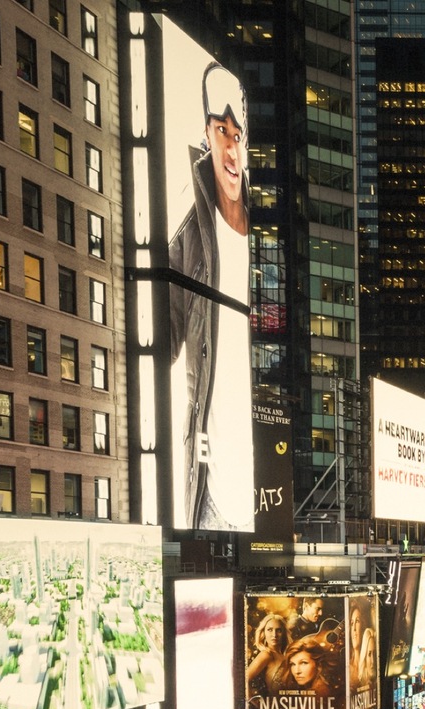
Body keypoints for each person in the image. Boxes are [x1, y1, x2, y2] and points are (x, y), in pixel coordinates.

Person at [166, 59, 254, 530]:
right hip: (213, 495)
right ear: (207, 135)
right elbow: (164, 340)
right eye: (223, 131)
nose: (233, 146)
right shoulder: (189, 232)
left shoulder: (263, 229)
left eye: (239, 134)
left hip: (262, 491)